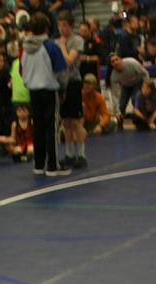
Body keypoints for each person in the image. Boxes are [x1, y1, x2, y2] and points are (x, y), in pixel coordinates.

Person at [21, 12, 70, 176]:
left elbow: (23, 71)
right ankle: (52, 165)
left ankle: (39, 163)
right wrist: (63, 89)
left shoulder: (25, 48)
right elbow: (62, 71)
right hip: (49, 90)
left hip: (33, 91)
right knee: (51, 128)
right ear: (47, 27)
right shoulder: (50, 46)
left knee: (38, 127)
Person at [57, 10, 88, 168]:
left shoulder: (77, 40)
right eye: (59, 26)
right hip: (61, 84)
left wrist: (62, 46)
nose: (62, 29)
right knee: (65, 122)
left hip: (73, 82)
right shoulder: (56, 42)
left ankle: (81, 155)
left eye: (64, 26)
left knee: (76, 121)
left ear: (71, 26)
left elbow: (69, 61)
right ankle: (69, 154)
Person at [108, 54, 150, 127]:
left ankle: (142, 121)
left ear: (121, 59)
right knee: (121, 106)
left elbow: (145, 73)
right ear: (111, 65)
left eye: (116, 60)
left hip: (138, 83)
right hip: (126, 86)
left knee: (135, 99)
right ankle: (120, 123)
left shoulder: (131, 63)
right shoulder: (113, 75)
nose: (115, 62)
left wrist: (145, 86)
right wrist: (117, 111)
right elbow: (114, 94)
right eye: (112, 62)